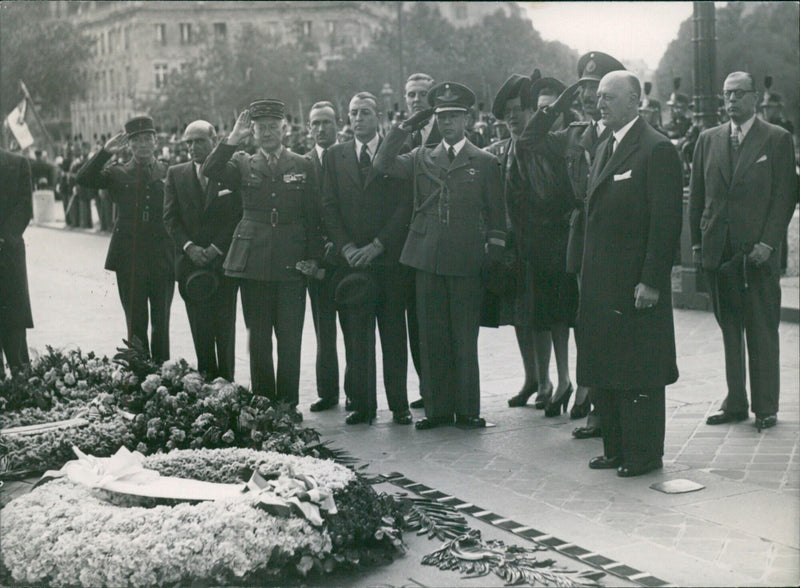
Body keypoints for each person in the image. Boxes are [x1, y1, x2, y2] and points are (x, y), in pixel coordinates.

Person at [374, 81, 506, 430]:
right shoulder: (421, 157)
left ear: (467, 119)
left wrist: (493, 255)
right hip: (426, 256)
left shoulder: (485, 161)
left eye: (453, 116)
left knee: (464, 336)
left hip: (465, 259)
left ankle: (467, 410)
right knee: (431, 337)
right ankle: (436, 409)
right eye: (441, 116)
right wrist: (404, 128)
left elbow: (496, 215)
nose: (446, 123)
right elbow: (382, 164)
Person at [578, 71, 682, 477]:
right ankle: (616, 449)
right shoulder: (606, 145)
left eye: (609, 97)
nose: (599, 103)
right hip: (603, 284)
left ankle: (643, 454)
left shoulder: (656, 149)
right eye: (599, 97)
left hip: (636, 283)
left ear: (634, 100)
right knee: (608, 367)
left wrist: (652, 280)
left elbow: (665, 221)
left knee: (640, 370)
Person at [517, 51, 625, 436]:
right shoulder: (575, 133)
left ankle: (606, 404)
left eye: (597, 88)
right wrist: (559, 102)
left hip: (615, 238)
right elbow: (530, 139)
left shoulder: (624, 133)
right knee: (586, 320)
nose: (590, 97)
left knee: (612, 325)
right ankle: (594, 404)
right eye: (584, 89)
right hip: (580, 237)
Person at [690, 71, 797, 433]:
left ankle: (765, 407)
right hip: (719, 255)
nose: (731, 101)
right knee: (729, 330)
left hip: (758, 255)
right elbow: (698, 196)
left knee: (762, 330)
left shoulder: (776, 139)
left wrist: (769, 243)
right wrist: (696, 245)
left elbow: (785, 196)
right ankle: (735, 402)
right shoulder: (708, 140)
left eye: (738, 94)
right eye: (726, 95)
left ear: (754, 98)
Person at [203, 99, 321, 421]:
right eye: (260, 128)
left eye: (273, 126)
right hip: (253, 260)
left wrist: (312, 257)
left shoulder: (303, 164)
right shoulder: (242, 162)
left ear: (285, 128)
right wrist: (231, 139)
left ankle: (287, 404)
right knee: (258, 337)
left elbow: (312, 215)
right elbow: (210, 170)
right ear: (252, 132)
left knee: (290, 337)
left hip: (291, 258)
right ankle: (263, 402)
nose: (267, 133)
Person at [321, 92, 413, 425]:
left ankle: (399, 404)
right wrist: (346, 248)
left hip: (387, 261)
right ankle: (362, 403)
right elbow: (328, 206)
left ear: (379, 118)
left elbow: (405, 206)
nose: (358, 118)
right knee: (356, 336)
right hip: (351, 263)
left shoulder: (397, 152)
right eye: (353, 113)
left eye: (365, 113)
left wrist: (378, 245)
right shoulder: (335, 156)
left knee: (392, 334)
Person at [76, 116, 175, 363]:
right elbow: (83, 178)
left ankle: (161, 373)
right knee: (135, 320)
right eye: (136, 141)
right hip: (129, 256)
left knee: (161, 320)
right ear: (129, 145)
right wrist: (104, 152)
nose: (142, 145)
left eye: (147, 139)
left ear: (155, 141)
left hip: (162, 254)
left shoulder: (168, 170)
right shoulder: (117, 173)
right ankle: (140, 371)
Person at [507, 76, 577, 418]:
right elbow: (515, 197)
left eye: (554, 107)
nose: (548, 114)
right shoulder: (532, 145)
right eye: (542, 108)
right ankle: (551, 382)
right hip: (539, 242)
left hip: (568, 238)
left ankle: (567, 381)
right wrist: (527, 239)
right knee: (542, 316)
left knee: (566, 316)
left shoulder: (571, 139)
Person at [163, 120, 241, 381]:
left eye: (199, 141)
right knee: (200, 327)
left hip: (222, 263)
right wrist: (189, 247)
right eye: (189, 143)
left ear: (214, 140)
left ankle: (227, 382)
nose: (193, 147)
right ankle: (207, 380)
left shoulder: (229, 172)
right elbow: (170, 218)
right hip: (191, 266)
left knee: (225, 328)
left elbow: (237, 215)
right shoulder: (176, 173)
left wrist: (216, 248)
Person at [487, 73, 541, 407]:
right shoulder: (499, 152)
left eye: (518, 109)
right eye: (506, 111)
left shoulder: (542, 149)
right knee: (519, 316)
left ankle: (553, 379)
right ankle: (531, 378)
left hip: (542, 245)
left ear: (532, 111)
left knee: (546, 317)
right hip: (513, 248)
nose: (511, 117)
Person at [400, 72, 440, 411]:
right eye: (411, 94)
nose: (416, 100)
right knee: (416, 320)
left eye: (422, 93)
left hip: (440, 241)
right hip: (406, 243)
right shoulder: (399, 136)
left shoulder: (449, 130)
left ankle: (447, 387)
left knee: (441, 319)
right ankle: (428, 386)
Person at [304, 101, 345, 413]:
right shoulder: (302, 164)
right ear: (308, 129)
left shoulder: (350, 158)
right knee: (323, 329)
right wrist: (318, 251)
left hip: (346, 257)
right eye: (315, 123)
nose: (321, 129)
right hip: (318, 261)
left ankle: (357, 392)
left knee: (355, 330)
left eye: (327, 123)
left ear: (338, 125)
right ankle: (327, 392)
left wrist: (341, 244)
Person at [0, 149, 34, 378]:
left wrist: (4, 236)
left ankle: (21, 383)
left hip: (8, 252)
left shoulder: (18, 163)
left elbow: (25, 207)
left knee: (14, 319)